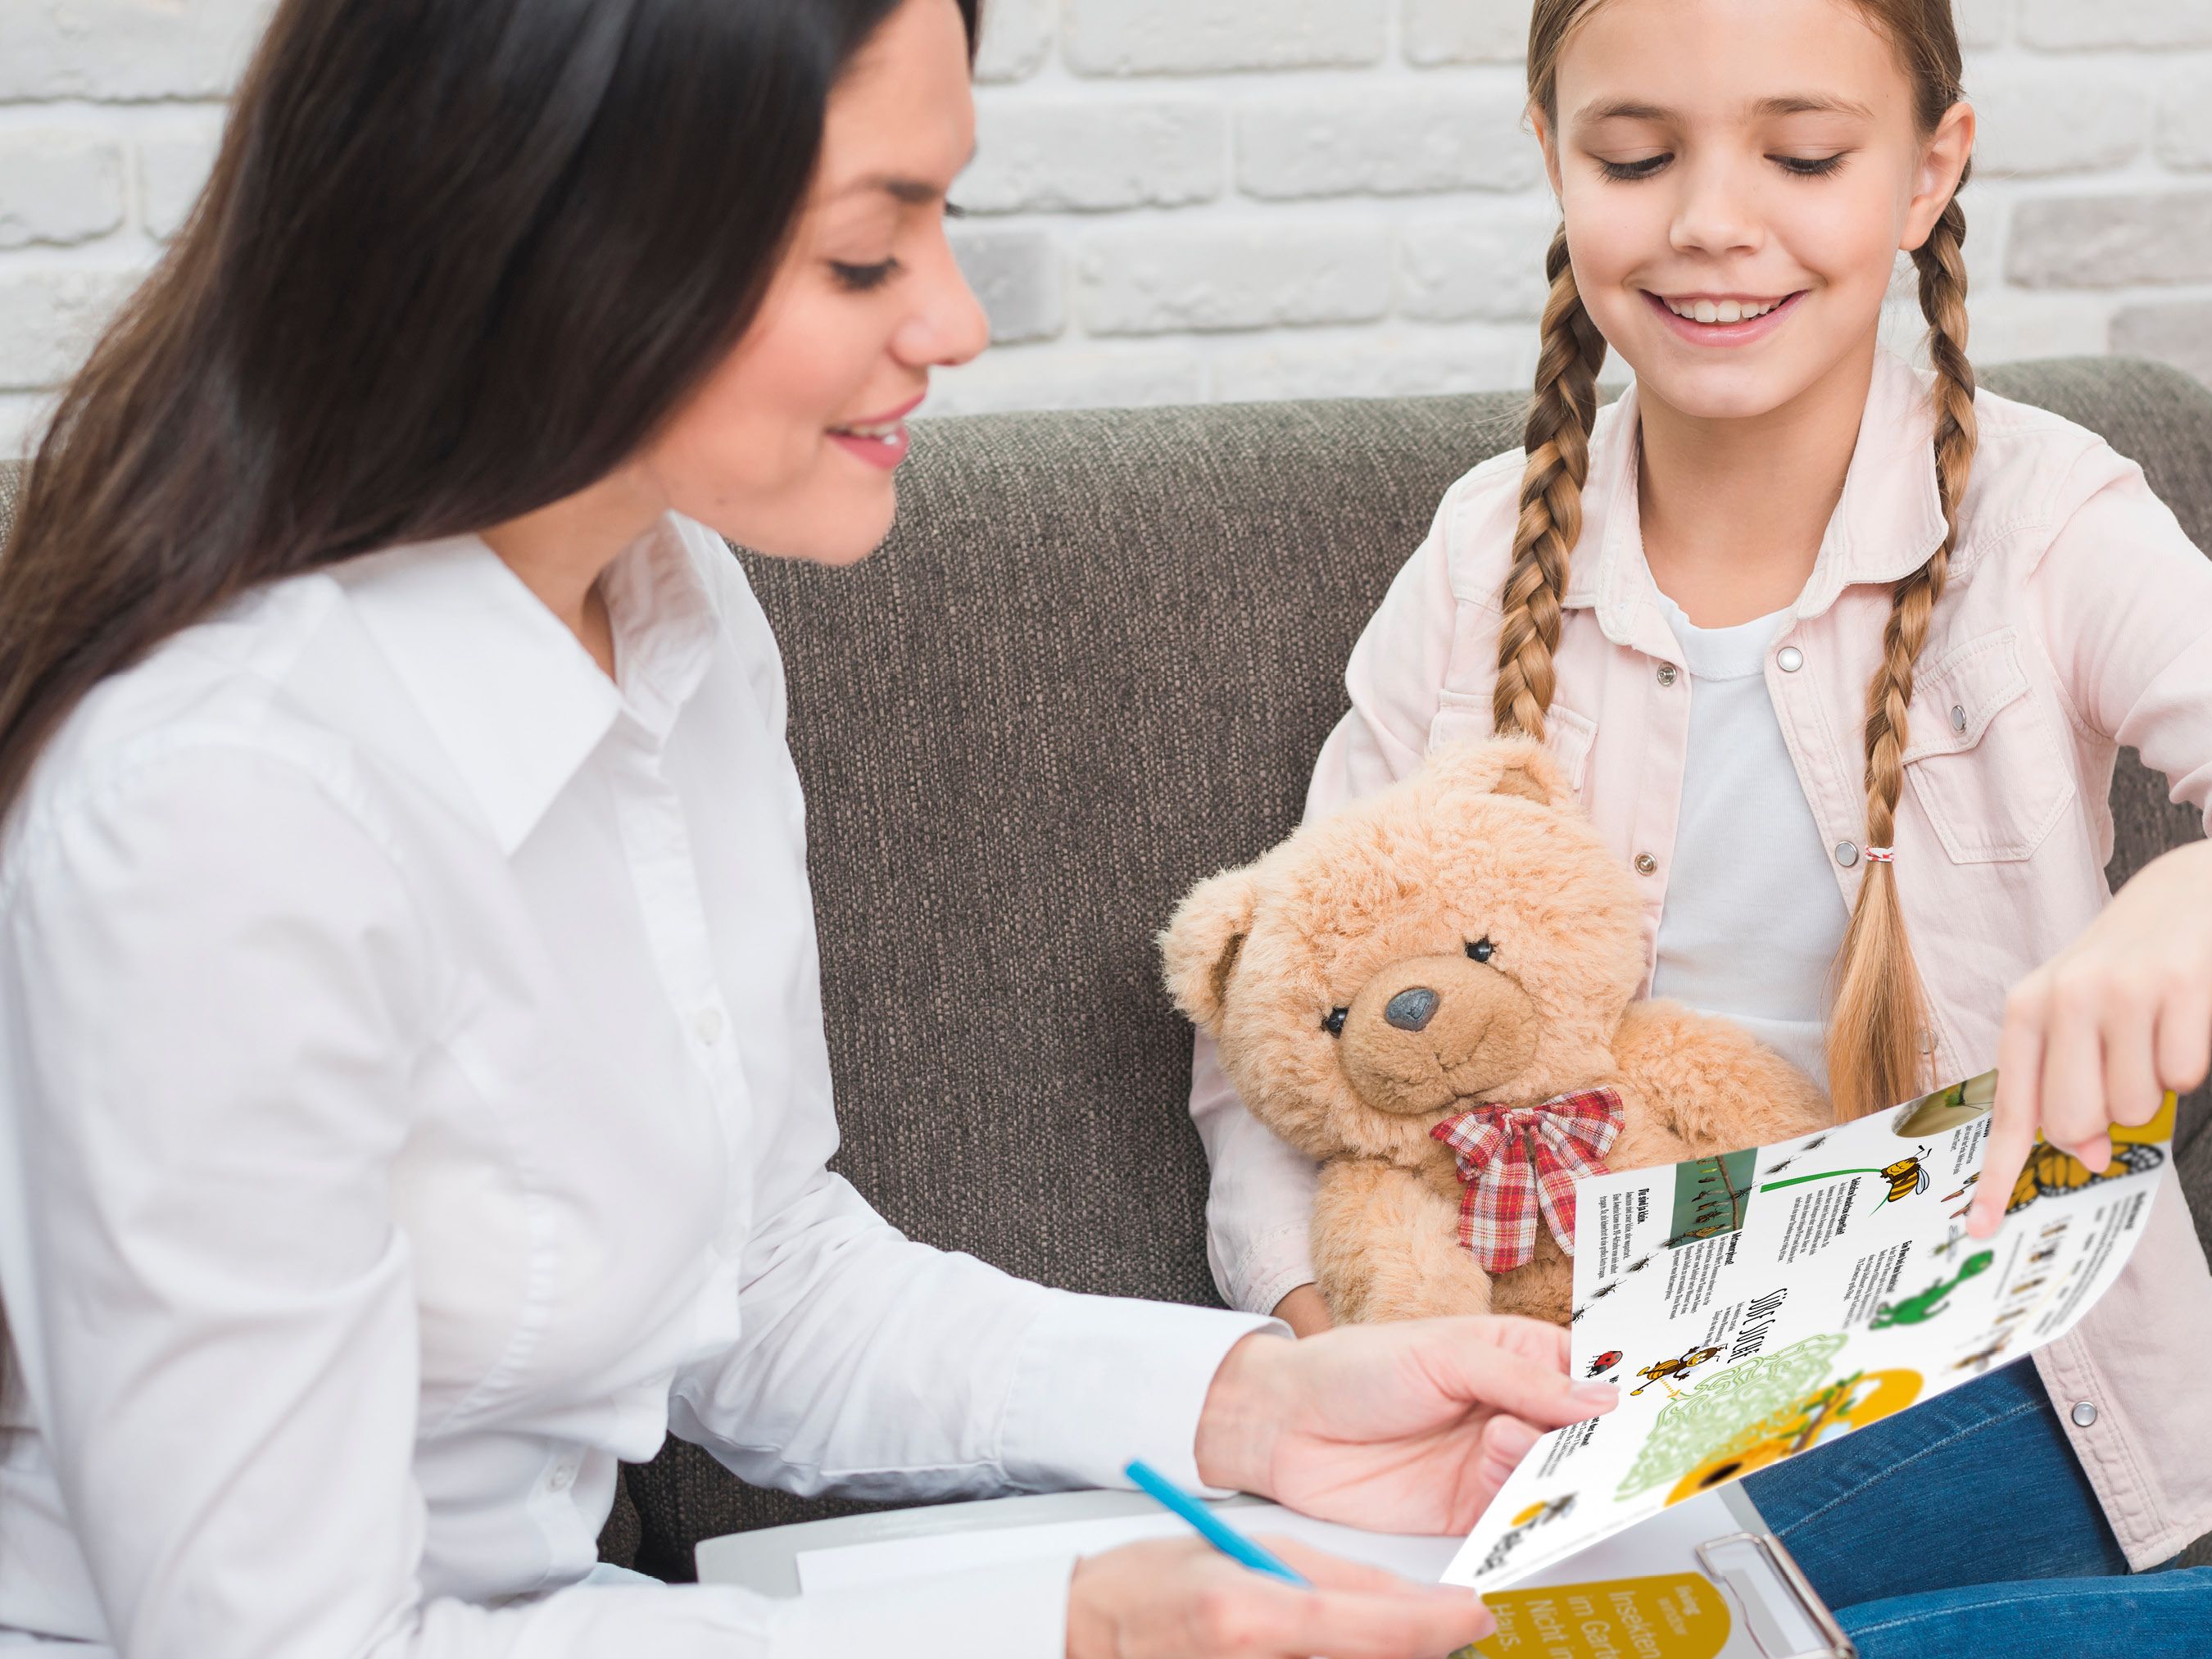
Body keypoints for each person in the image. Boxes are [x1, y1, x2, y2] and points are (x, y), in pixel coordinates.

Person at [1186, 1, 2212, 1655]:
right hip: (1581, 1356)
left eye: (1805, 150)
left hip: (1978, 1337)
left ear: (1929, 171)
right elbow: (1274, 1009)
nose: (1711, 220)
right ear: (1554, 156)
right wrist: (1340, 1347)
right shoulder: (1482, 561)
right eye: (1636, 153)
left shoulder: (2047, 523)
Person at [0, 2, 1608, 1655]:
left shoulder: (678, 613)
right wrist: (1063, 1633)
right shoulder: (218, 810)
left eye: (942, 219)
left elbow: (760, 1277)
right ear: (561, 242)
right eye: (861, 257)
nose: (958, 321)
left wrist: (1257, 1405)